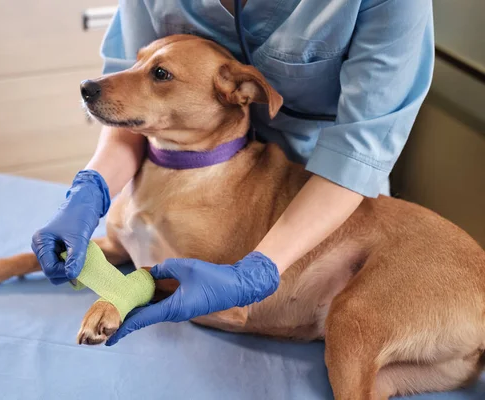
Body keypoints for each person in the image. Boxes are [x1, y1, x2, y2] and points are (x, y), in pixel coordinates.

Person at [31, 0, 434, 345]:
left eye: (160, 72)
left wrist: (257, 271)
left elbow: (358, 152)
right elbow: (126, 99)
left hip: (325, 194)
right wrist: (91, 189)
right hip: (183, 161)